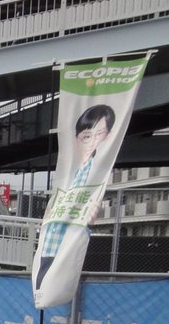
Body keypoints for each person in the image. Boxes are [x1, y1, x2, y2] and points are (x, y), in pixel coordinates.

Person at [36, 103, 116, 288]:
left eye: (100, 134)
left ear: (109, 136)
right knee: (44, 294)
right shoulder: (70, 171)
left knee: (54, 295)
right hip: (48, 247)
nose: (92, 141)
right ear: (76, 138)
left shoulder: (97, 172)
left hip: (66, 252)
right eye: (86, 135)